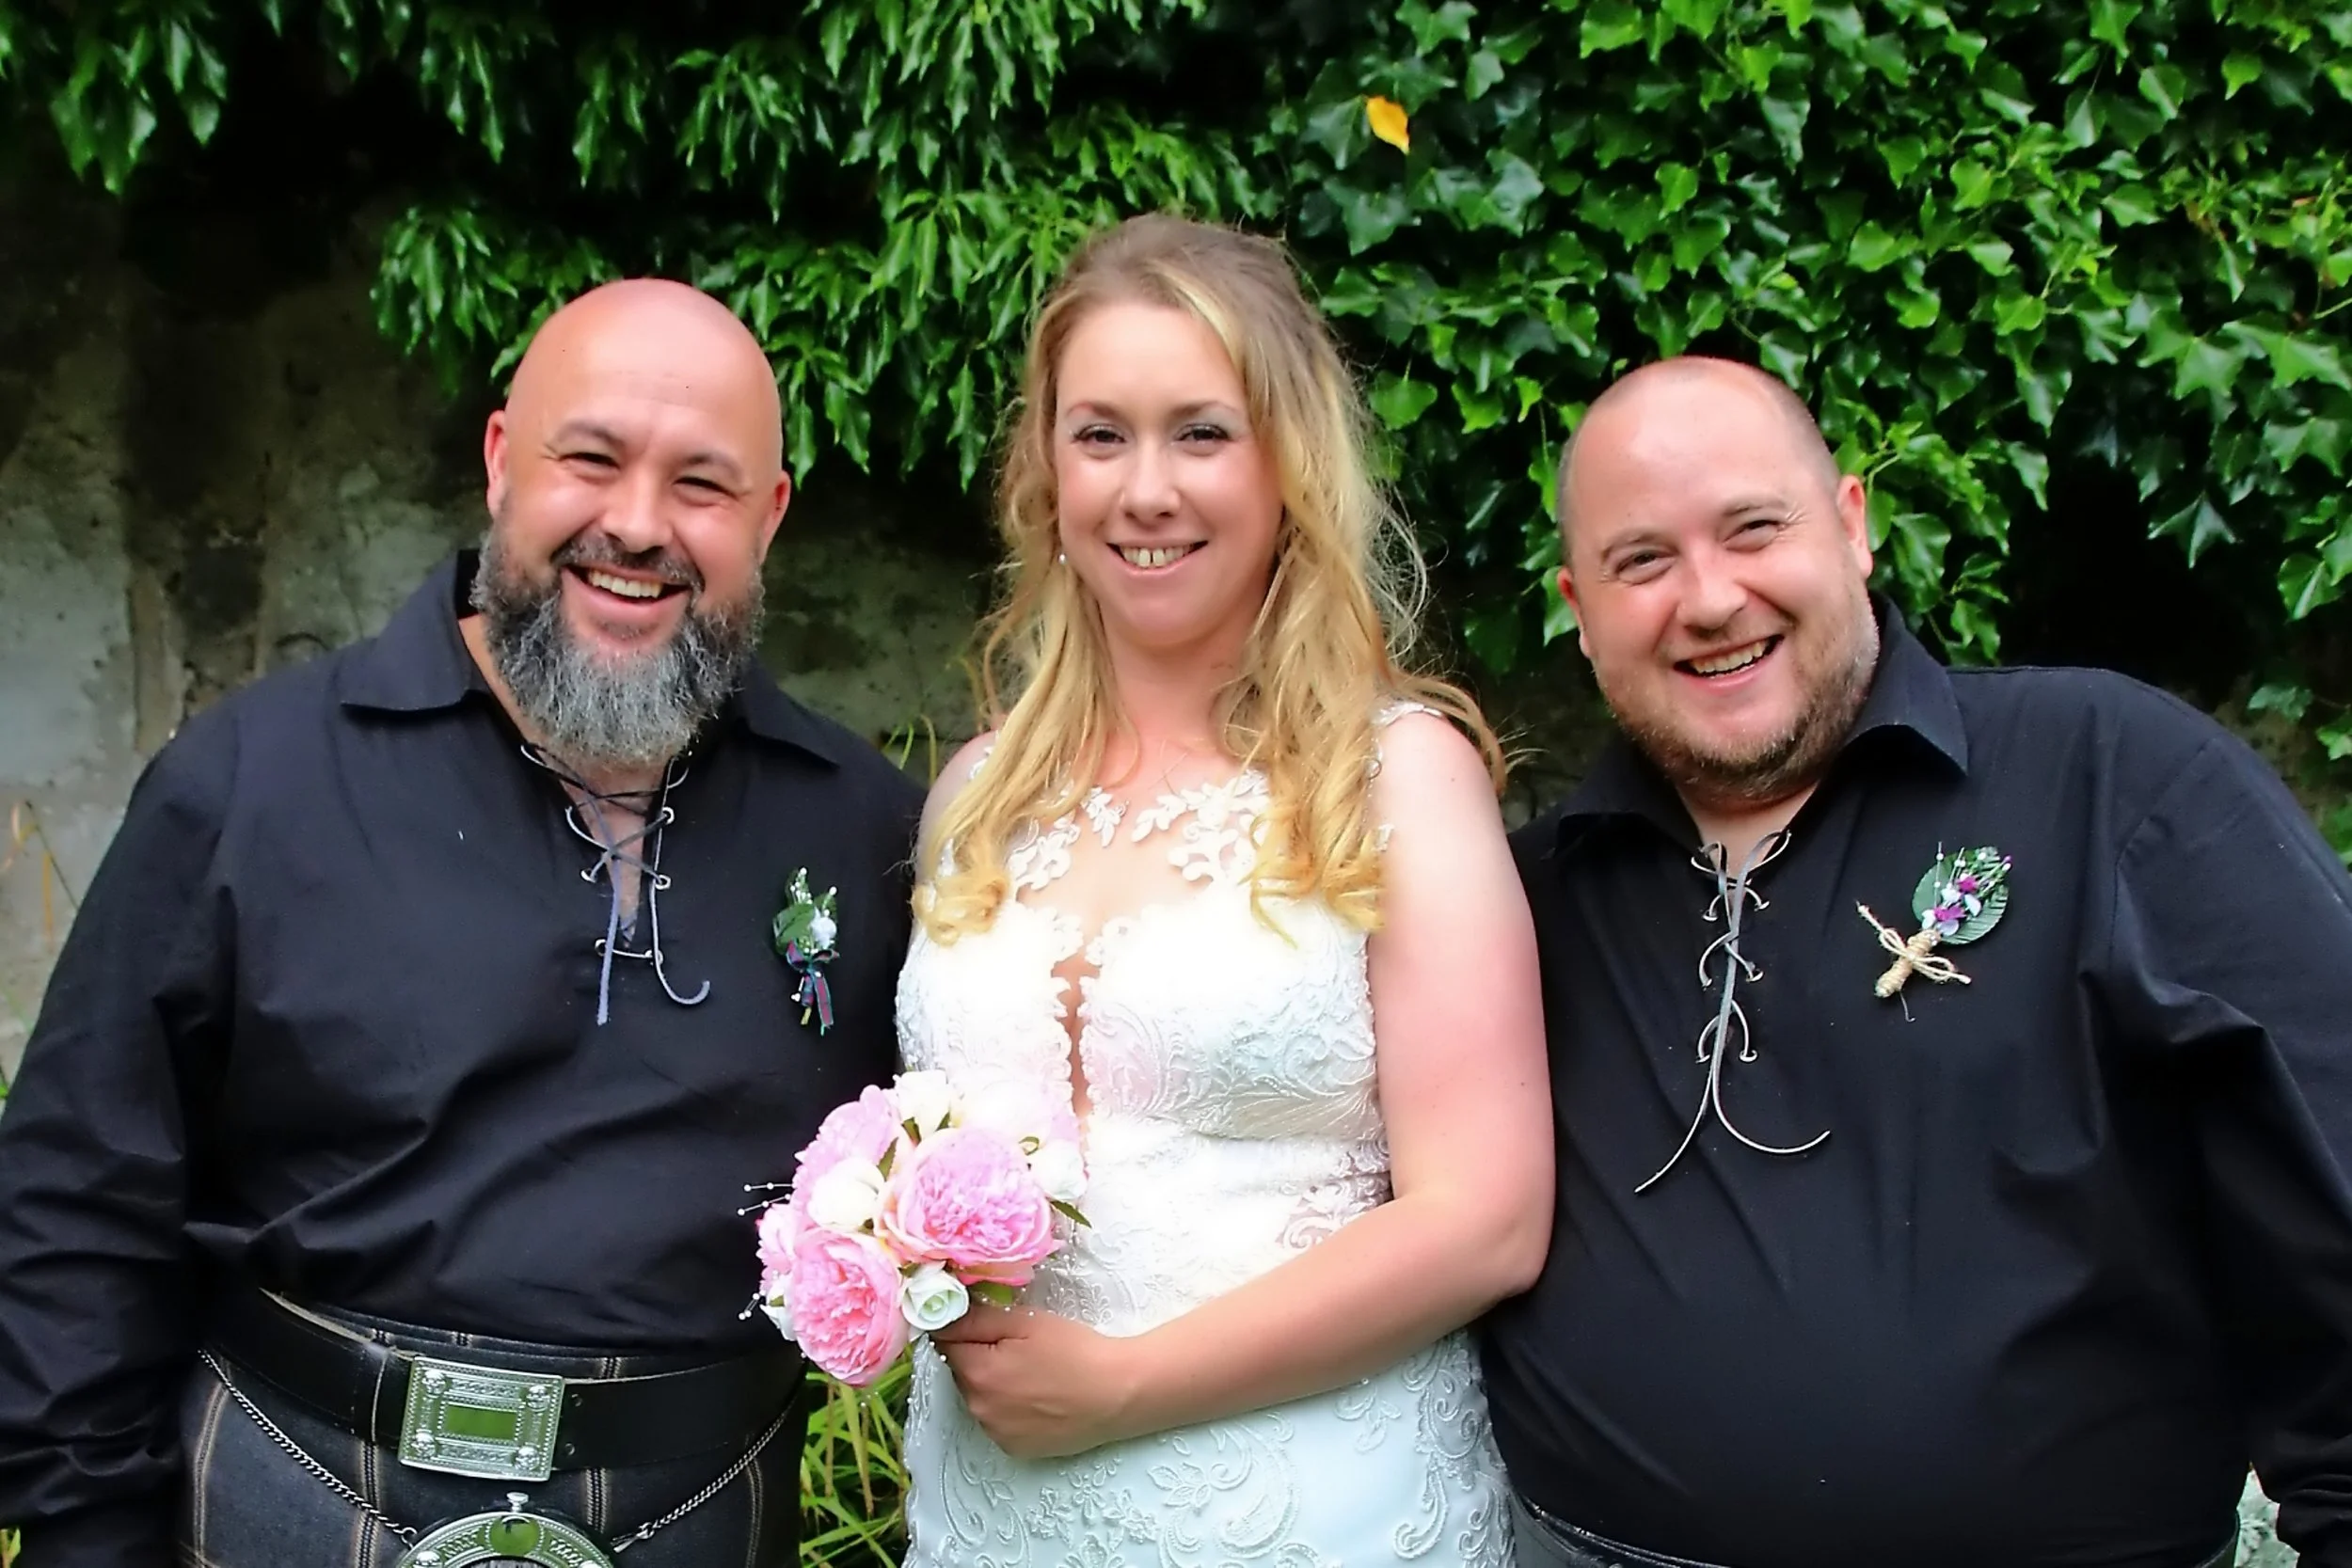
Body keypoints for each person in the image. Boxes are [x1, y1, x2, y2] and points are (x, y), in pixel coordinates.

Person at [0, 279, 923, 1568]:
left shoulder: (865, 826)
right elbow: (78, 1192)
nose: (638, 524)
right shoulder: (252, 783)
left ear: (768, 517)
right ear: (500, 462)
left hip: (703, 1517)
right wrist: (84, 1535)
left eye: (702, 485)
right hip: (289, 1495)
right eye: (590, 459)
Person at [1481, 355, 2352, 1568]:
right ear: (1580, 608)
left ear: (1854, 525)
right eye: (1643, 562)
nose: (1710, 597)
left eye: (1753, 529)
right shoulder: (1522, 905)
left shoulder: (2110, 780)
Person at [889, 214, 1553, 1563]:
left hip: (1315, 1516)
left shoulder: (1396, 778)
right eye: (1100, 434)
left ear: (1288, 465)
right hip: (995, 1517)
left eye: (1202, 432)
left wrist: (1125, 1387)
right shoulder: (975, 795)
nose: (1147, 489)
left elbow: (1487, 1217)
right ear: (1046, 470)